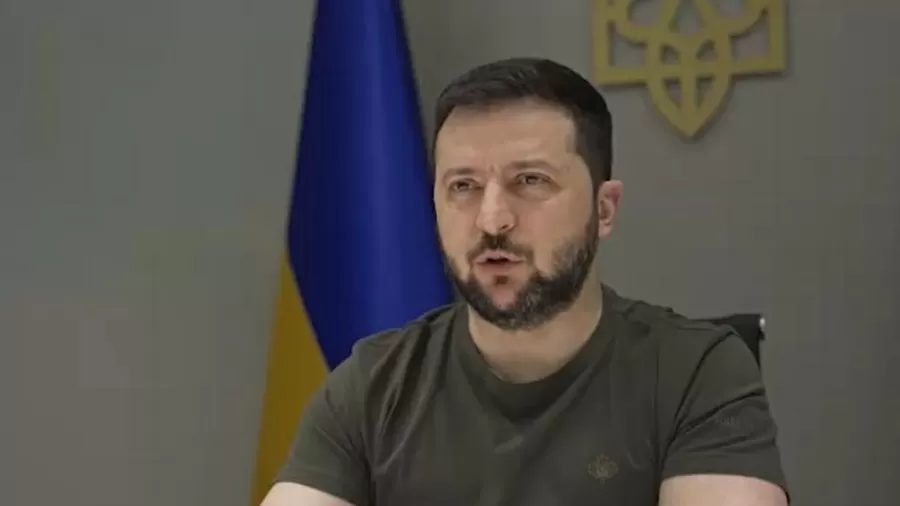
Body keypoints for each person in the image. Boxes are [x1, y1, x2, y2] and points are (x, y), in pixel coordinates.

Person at [261, 57, 789, 506]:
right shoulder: (374, 387)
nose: (492, 219)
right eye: (463, 186)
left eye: (530, 181)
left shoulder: (696, 374)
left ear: (604, 210)